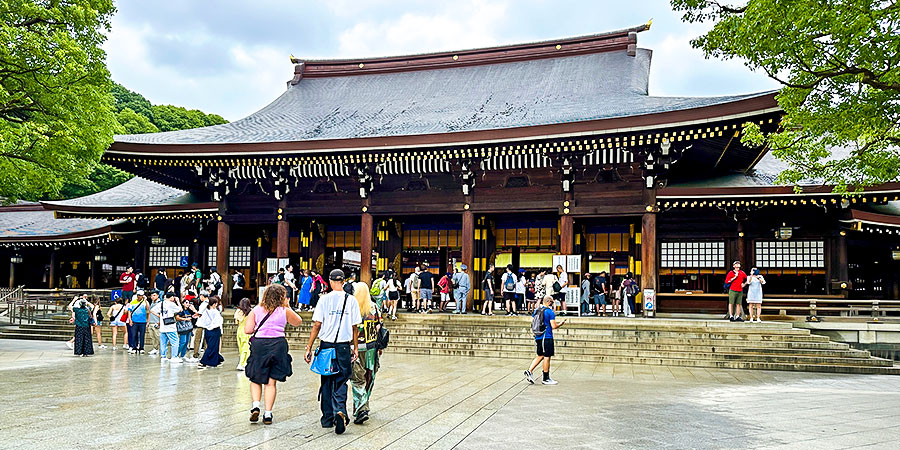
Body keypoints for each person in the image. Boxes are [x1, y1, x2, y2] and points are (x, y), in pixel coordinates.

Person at [304, 269, 362, 435]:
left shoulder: (324, 299)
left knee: (327, 381)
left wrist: (309, 346)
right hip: (343, 346)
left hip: (326, 345)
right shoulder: (351, 300)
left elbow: (317, 324)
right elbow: (355, 327)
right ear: (343, 281)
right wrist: (355, 347)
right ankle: (340, 411)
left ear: (330, 282)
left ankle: (327, 418)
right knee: (341, 380)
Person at [245, 284, 303, 424]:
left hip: (260, 344)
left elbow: (248, 330)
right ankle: (268, 414)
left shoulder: (256, 310)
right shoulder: (284, 311)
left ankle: (255, 406)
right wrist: (288, 306)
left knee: (255, 377)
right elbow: (298, 322)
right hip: (278, 344)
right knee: (271, 382)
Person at [350, 281, 382, 425]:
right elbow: (379, 326)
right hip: (371, 348)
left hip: (356, 347)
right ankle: (363, 406)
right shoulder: (374, 308)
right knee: (369, 377)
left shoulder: (352, 307)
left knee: (357, 379)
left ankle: (361, 408)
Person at [524, 296, 566, 385]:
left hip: (538, 336)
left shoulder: (536, 310)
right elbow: (553, 326)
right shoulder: (550, 312)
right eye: (552, 302)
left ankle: (529, 371)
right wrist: (560, 324)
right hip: (546, 336)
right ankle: (546, 378)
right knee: (547, 356)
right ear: (549, 302)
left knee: (540, 355)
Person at [151, 291, 184, 363]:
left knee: (163, 342)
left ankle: (163, 356)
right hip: (171, 327)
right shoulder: (172, 304)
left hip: (163, 327)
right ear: (172, 297)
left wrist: (160, 316)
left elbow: (152, 310)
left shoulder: (161, 303)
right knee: (175, 342)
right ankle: (174, 357)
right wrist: (178, 302)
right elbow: (180, 309)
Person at [197, 296, 225, 368]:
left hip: (207, 330)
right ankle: (203, 361)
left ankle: (216, 360)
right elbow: (219, 321)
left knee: (211, 346)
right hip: (215, 330)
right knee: (213, 346)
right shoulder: (215, 312)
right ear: (214, 304)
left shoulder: (205, 311)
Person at [188, 290, 210, 361]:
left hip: (201, 323)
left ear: (202, 296)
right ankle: (206, 354)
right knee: (206, 340)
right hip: (207, 323)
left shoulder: (204, 303)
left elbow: (200, 313)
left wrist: (193, 309)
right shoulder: (209, 303)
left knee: (197, 339)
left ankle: (196, 354)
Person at [234, 298, 252, 371]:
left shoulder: (238, 311)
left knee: (241, 347)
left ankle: (242, 362)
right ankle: (243, 363)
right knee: (246, 348)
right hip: (247, 330)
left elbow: (236, 322)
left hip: (240, 330)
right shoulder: (250, 312)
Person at [146, 291, 161, 355]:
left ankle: (162, 349)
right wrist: (148, 322)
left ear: (158, 296)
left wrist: (160, 322)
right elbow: (150, 312)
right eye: (152, 295)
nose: (152, 297)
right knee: (153, 337)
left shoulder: (160, 303)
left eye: (154, 295)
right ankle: (155, 348)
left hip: (157, 322)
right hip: (151, 322)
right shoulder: (152, 303)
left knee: (158, 336)